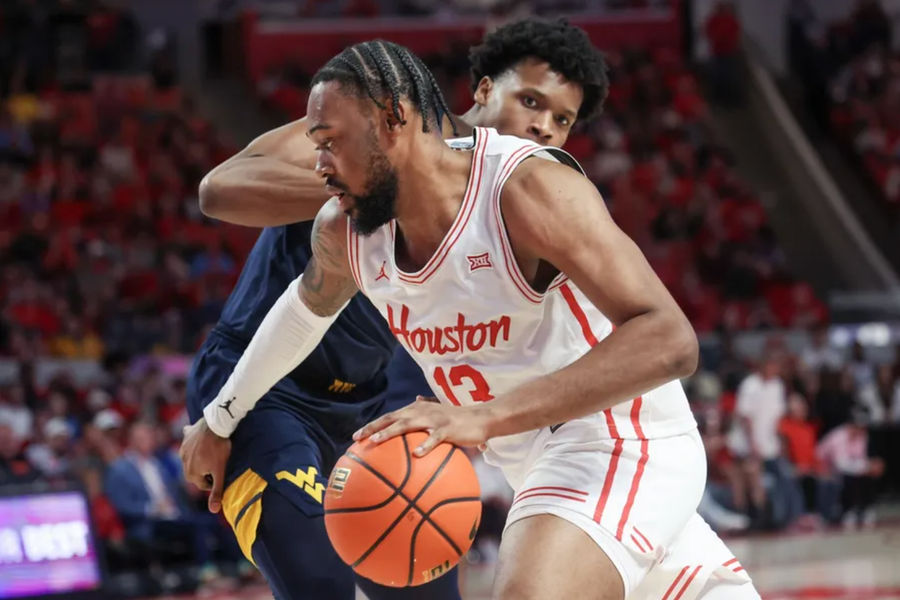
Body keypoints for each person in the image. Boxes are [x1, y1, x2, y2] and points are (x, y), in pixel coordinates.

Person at [190, 40, 759, 600]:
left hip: (616, 441)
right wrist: (218, 421)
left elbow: (670, 340)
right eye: (317, 144)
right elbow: (302, 311)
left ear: (393, 121)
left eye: (331, 144)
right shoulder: (345, 227)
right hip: (530, 460)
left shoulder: (528, 187)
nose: (317, 166)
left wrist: (484, 419)